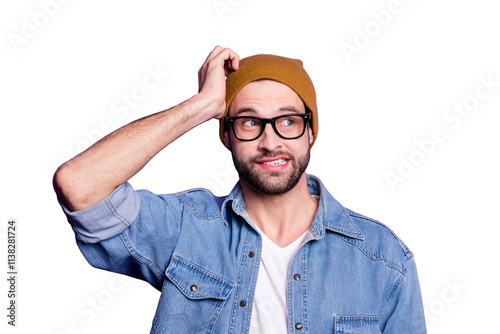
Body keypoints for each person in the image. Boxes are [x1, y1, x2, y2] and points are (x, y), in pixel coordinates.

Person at [53, 46, 427, 333]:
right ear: (227, 134)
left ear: (311, 131)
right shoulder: (187, 229)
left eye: (288, 121)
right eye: (249, 122)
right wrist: (202, 105)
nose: (270, 141)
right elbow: (80, 185)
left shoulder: (384, 260)